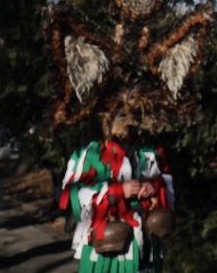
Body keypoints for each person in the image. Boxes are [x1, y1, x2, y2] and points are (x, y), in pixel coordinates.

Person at [59, 110, 174, 273]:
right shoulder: (90, 154)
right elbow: (71, 193)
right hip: (107, 247)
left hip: (146, 245)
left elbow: (165, 182)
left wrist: (153, 187)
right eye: (122, 117)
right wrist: (115, 191)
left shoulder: (147, 153)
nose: (130, 124)